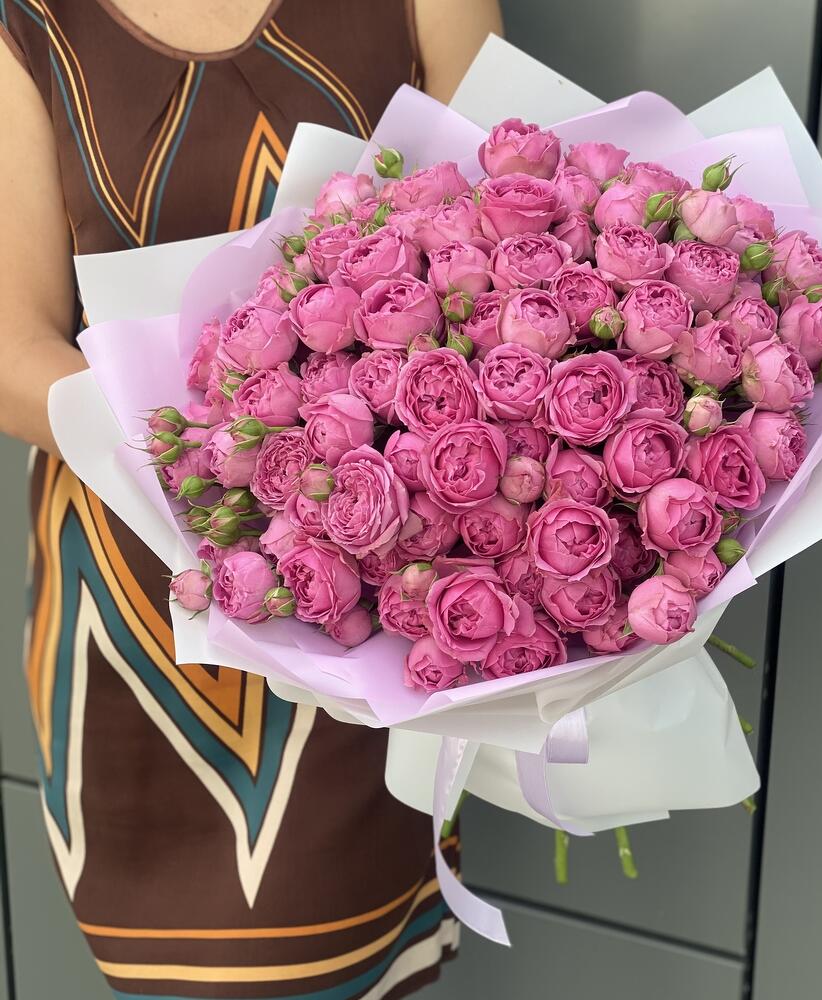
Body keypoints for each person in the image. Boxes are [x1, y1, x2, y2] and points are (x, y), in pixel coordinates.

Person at [0, 1, 502, 997]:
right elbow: (13, 344)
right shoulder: (28, 25)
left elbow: (507, 238)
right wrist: (241, 454)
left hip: (387, 580)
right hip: (149, 606)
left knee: (367, 951)